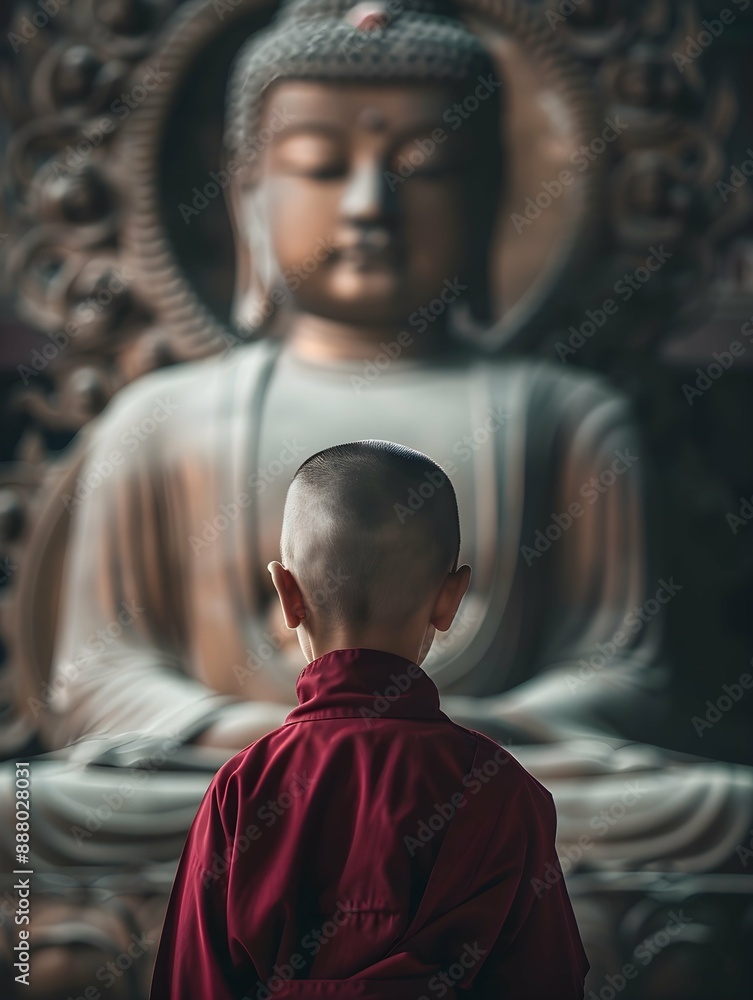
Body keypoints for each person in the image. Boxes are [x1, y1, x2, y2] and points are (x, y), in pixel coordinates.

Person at [148, 440, 589, 1000]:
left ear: (288, 596)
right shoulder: (503, 787)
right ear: (450, 599)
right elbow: (548, 982)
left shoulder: (242, 786)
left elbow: (192, 984)